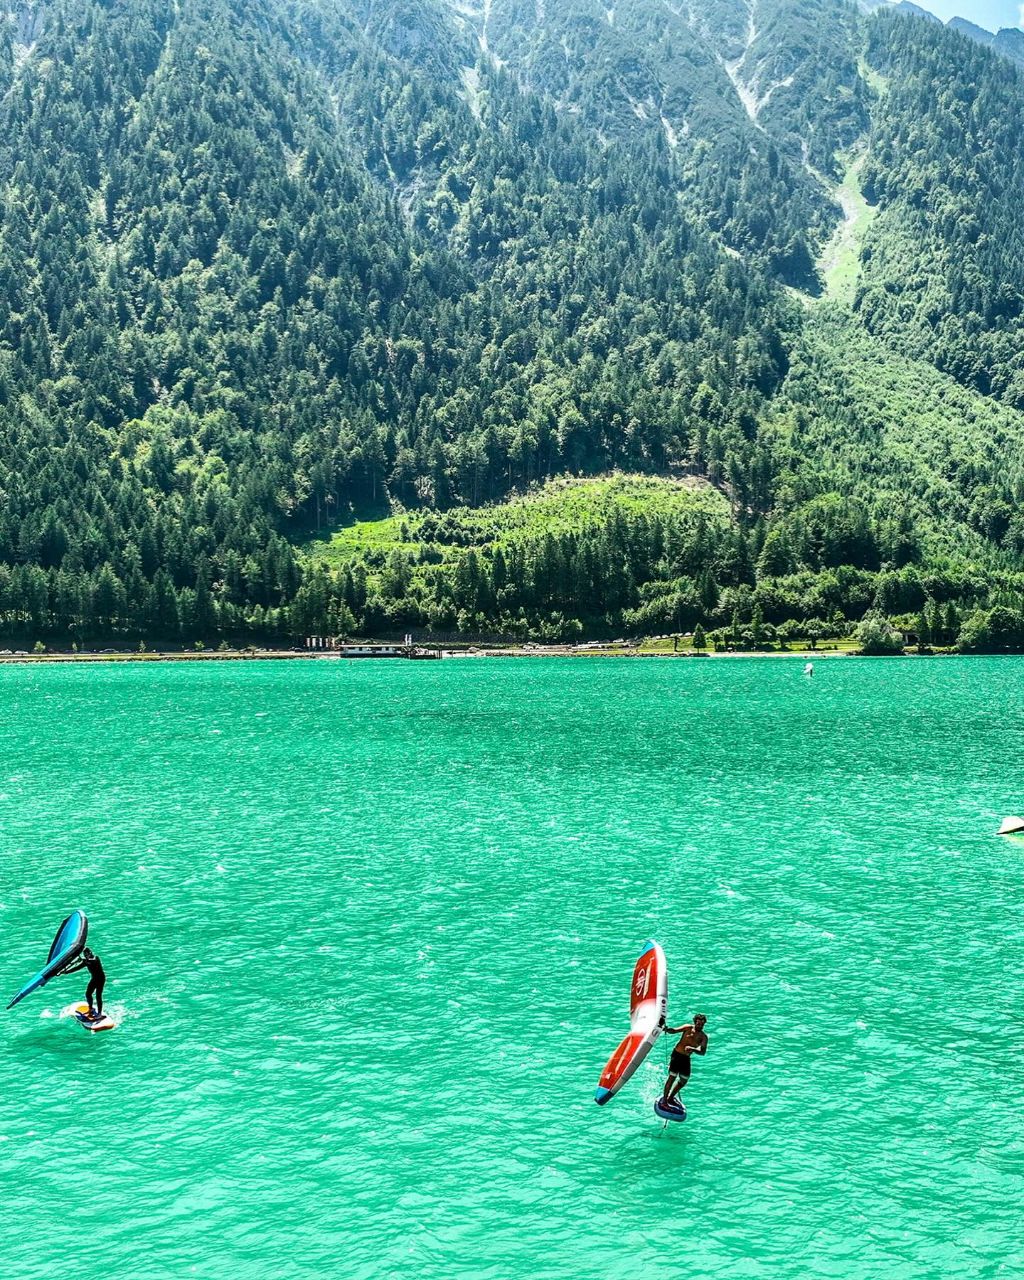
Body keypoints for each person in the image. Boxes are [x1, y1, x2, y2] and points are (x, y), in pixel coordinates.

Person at [660, 1013, 708, 1109]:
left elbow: (702, 1052)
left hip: (686, 1058)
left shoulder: (703, 1037)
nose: (700, 1026)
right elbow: (674, 1031)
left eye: (702, 1025)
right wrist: (666, 1029)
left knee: (684, 1079)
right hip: (677, 1055)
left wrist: (693, 1049)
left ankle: (671, 1098)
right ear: (695, 1022)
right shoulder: (688, 1028)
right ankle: (664, 1101)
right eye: (698, 1024)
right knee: (672, 1077)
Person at [64, 947, 106, 1019]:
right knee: (88, 994)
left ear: (90, 953)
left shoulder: (96, 958)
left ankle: (99, 1014)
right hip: (94, 979)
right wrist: (67, 972)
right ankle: (91, 1009)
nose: (86, 956)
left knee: (98, 996)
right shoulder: (86, 962)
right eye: (85, 955)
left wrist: (84, 960)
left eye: (87, 954)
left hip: (101, 979)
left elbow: (92, 961)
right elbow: (76, 968)